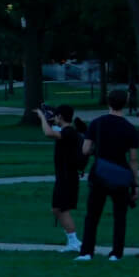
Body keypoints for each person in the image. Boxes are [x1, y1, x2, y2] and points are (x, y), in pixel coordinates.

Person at [79, 89, 139, 262]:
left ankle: (86, 252)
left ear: (108, 102)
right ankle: (116, 253)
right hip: (120, 175)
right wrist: (135, 184)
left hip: (100, 173)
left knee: (92, 215)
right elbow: (134, 159)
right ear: (125, 104)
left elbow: (85, 149)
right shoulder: (129, 128)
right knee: (119, 216)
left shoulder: (96, 123)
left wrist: (95, 149)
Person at [41, 104, 85, 253]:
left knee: (61, 209)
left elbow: (48, 133)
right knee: (57, 209)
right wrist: (50, 119)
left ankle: (74, 242)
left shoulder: (69, 133)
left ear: (60, 116)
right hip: (64, 177)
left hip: (67, 178)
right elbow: (54, 130)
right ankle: (73, 240)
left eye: (57, 115)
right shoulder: (67, 131)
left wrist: (42, 117)